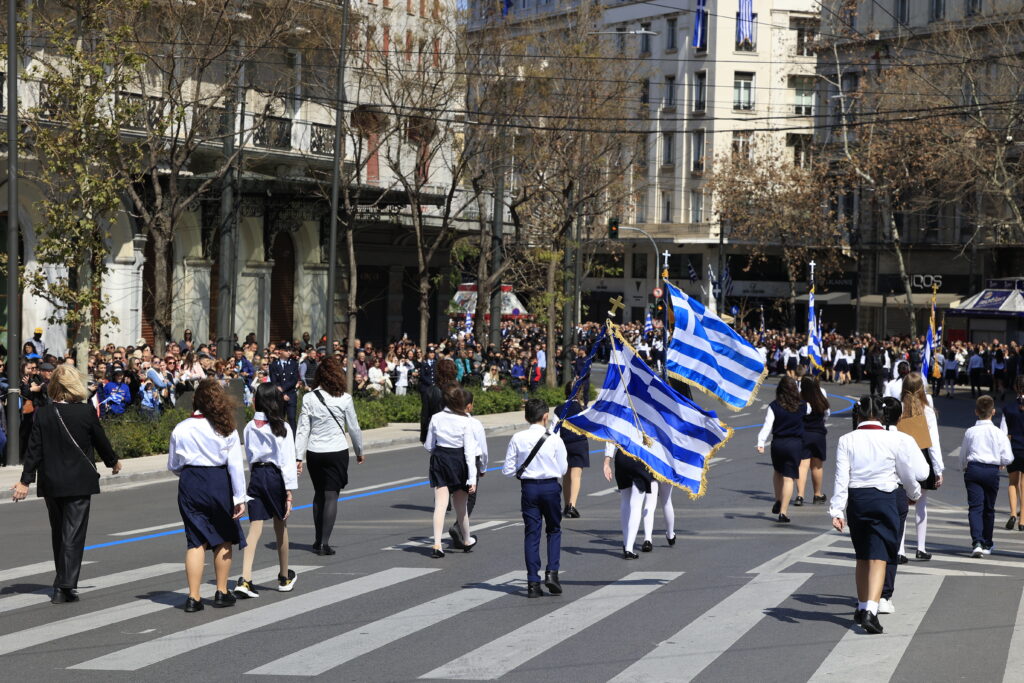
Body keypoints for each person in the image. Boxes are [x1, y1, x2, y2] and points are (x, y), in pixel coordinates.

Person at [10, 366, 120, 604]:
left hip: (51, 481)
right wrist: (113, 462)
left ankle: (62, 580)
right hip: (79, 481)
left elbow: (34, 450)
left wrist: (25, 480)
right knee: (73, 533)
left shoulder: (44, 413)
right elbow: (100, 440)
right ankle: (65, 586)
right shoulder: (85, 412)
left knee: (59, 532)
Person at [829, 395, 924, 634]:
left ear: (858, 415)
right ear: (882, 416)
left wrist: (837, 510)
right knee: (879, 556)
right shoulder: (894, 439)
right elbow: (906, 473)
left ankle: (862, 606)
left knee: (862, 556)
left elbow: (841, 478)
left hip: (858, 500)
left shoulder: (846, 439)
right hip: (884, 498)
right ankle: (871, 610)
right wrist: (915, 492)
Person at [166, 379, 247, 613]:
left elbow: (174, 464)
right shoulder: (226, 428)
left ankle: (193, 597)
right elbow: (235, 466)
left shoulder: (181, 427)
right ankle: (221, 591)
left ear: (196, 400)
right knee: (223, 537)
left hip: (191, 482)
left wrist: (189, 472)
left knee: (195, 540)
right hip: (218, 481)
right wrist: (239, 497)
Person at [234, 384, 299, 599]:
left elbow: (250, 456)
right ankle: (284, 576)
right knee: (281, 525)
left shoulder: (250, 426)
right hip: (274, 476)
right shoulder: (283, 427)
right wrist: (289, 490)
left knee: (255, 528)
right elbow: (287, 461)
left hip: (257, 476)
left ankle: (245, 578)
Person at [295, 356, 364, 556]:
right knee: (331, 495)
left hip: (315, 451)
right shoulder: (345, 398)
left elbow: (303, 429)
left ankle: (317, 540)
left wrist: (298, 457)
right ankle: (324, 543)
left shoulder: (309, 398)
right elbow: (354, 428)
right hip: (337, 451)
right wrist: (359, 451)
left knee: (318, 494)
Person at [503, 398, 567, 598]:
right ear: (545, 416)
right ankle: (552, 573)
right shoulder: (555, 438)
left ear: (526, 417)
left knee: (532, 534)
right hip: (550, 487)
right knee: (554, 529)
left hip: (529, 488)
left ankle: (532, 583)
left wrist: (522, 471)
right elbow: (563, 468)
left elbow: (507, 469)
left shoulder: (517, 438)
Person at [896, 373, 943, 561]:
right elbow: (933, 443)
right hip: (922, 458)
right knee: (921, 504)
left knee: (902, 505)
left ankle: (900, 550)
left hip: (902, 458)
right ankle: (921, 547)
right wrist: (938, 470)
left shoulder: (898, 408)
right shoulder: (928, 411)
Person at [960, 394, 1015, 557]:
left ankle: (976, 541)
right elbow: (1008, 457)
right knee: (989, 509)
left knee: (975, 507)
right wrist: (1001, 461)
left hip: (974, 469)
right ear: (993, 412)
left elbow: (963, 454)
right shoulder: (998, 433)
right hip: (991, 470)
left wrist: (964, 467)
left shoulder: (970, 432)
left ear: (976, 412)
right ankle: (987, 543)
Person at [756, 377, 806, 523]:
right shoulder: (803, 405)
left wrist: (761, 442)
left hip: (778, 443)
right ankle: (783, 512)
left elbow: (767, 426)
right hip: (795, 444)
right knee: (789, 477)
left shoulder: (774, 406)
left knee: (777, 471)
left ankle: (778, 499)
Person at [603, 440, 656, 558]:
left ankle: (626, 541)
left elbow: (611, 436)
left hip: (621, 457)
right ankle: (629, 548)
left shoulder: (621, 420)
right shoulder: (648, 420)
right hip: (639, 457)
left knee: (625, 500)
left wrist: (607, 462)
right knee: (636, 504)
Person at [554, 382, 590, 519]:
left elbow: (554, 430)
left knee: (566, 476)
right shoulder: (583, 409)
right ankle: (572, 505)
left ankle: (566, 506)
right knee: (576, 476)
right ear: (579, 392)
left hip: (564, 444)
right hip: (579, 443)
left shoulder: (559, 409)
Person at [795, 375, 830, 506]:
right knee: (817, 465)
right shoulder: (822, 395)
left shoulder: (799, 398)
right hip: (818, 433)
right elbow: (827, 414)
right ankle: (817, 494)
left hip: (803, 433)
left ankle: (800, 495)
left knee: (802, 465)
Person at [1000, 376, 1024, 531]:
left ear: (1015, 387)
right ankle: (1023, 521)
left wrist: (1001, 456)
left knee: (1012, 483)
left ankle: (1012, 514)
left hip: (1013, 448)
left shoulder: (1008, 407)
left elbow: (1003, 433)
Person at [269, 343, 300, 431]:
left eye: (290, 350)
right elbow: (274, 380)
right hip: (279, 395)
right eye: (287, 350)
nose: (289, 352)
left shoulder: (293, 364)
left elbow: (294, 380)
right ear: (281, 351)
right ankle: (280, 439)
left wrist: (283, 390)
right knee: (279, 419)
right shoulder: (274, 365)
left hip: (291, 395)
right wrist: (282, 394)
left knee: (291, 418)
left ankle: (293, 441)